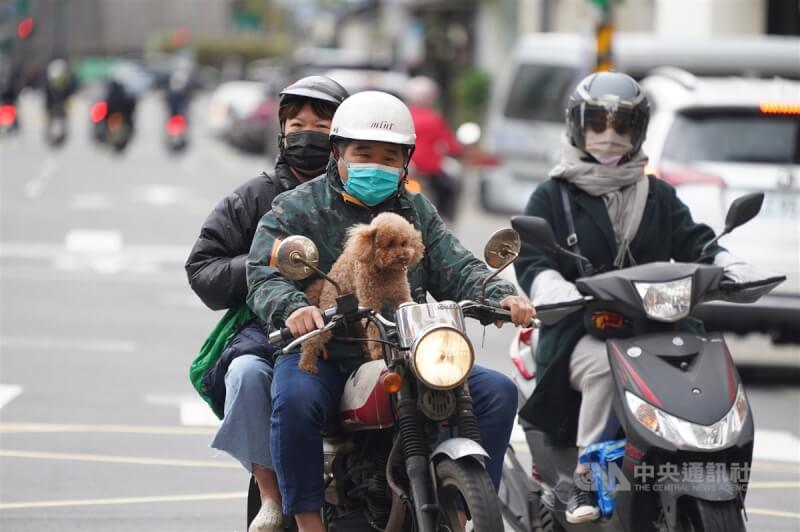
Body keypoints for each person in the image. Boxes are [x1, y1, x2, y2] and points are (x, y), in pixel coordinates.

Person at [246, 90, 534, 532]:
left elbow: (457, 265)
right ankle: (307, 522)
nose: (376, 165)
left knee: (496, 391)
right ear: (338, 151)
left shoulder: (416, 210)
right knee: (295, 402)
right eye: (364, 153)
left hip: (406, 349)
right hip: (328, 352)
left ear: (405, 162)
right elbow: (263, 275)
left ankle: (465, 510)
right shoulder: (295, 208)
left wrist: (502, 296)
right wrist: (293, 309)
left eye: (389, 156)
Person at [513, 71, 771, 524]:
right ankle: (588, 477)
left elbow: (698, 243)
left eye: (623, 125)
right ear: (577, 126)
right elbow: (533, 260)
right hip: (581, 330)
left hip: (661, 325)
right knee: (606, 368)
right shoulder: (552, 194)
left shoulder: (659, 193)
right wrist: (551, 286)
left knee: (711, 364)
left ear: (639, 131)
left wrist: (729, 263)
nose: (610, 135)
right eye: (597, 123)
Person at [185, 75, 349, 532]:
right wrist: (267, 263)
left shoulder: (371, 195)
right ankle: (273, 497)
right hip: (274, 333)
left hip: (356, 332)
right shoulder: (255, 197)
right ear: (281, 132)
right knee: (246, 371)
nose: (308, 134)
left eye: (322, 125)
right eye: (297, 125)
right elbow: (202, 271)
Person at [405, 75, 463, 222]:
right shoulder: (434, 118)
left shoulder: (404, 115)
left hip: (406, 168)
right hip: (430, 171)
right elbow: (451, 144)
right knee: (450, 187)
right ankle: (444, 217)